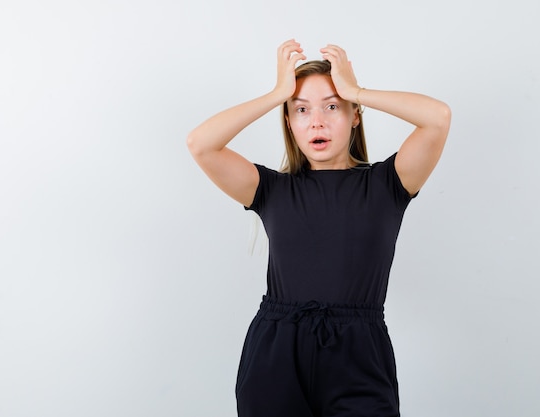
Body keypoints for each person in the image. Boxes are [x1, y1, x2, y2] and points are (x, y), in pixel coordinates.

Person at [186, 39, 451, 417]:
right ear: (289, 122)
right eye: (301, 110)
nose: (317, 121)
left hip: (359, 356)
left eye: (332, 106)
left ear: (354, 115)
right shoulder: (272, 190)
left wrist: (356, 90)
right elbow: (201, 144)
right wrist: (276, 94)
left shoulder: (388, 185)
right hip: (276, 355)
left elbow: (438, 117)